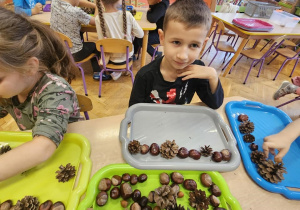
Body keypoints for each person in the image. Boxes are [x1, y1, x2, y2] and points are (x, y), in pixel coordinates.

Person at [0, 8, 83, 181]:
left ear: (30, 67)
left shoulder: (56, 89)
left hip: (73, 154)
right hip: (42, 161)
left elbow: (42, 147)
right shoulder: (7, 91)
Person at [129, 0, 224, 108]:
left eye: (194, 45)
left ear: (203, 45)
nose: (183, 56)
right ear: (162, 38)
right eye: (176, 42)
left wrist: (213, 76)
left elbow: (215, 104)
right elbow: (134, 110)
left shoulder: (197, 71)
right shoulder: (145, 76)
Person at [50, 0, 112, 81]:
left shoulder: (55, 2)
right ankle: (98, 73)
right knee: (95, 46)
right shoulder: (76, 12)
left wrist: (93, 5)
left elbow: (77, 2)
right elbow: (95, 21)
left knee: (79, 32)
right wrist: (97, 7)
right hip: (74, 55)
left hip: (58, 51)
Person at [95, 0, 144, 80]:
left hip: (110, 61)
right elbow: (141, 34)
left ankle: (114, 73)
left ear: (101, 2)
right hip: (127, 59)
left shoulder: (98, 19)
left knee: (98, 49)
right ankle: (120, 72)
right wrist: (130, 31)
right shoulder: (128, 15)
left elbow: (101, 42)